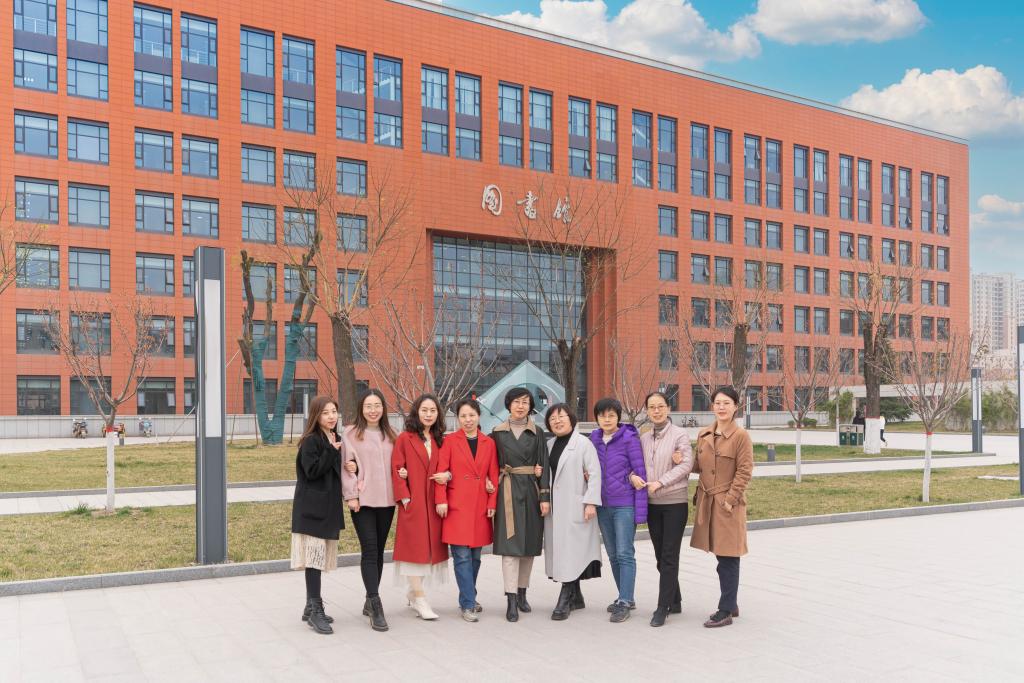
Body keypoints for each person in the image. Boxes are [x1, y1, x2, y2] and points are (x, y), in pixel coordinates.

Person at [690, 386, 754, 628]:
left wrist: (730, 500)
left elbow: (745, 471)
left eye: (726, 403)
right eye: (717, 403)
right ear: (712, 406)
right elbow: (699, 466)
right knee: (720, 555)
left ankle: (725, 610)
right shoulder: (704, 434)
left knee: (728, 557)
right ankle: (731, 602)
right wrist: (681, 460)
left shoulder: (741, 436)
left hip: (728, 505)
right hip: (708, 502)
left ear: (736, 406)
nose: (721, 407)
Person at [435, 398, 498, 622]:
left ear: (478, 416)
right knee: (461, 557)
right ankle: (468, 603)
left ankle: (468, 595)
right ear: (458, 418)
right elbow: (441, 473)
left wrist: (492, 503)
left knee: (475, 557)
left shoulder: (488, 443)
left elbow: (493, 475)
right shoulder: (450, 441)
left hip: (480, 506)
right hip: (456, 506)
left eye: (471, 415)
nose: (468, 420)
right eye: (463, 416)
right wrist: (441, 500)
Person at [491, 386, 550, 622]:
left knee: (528, 547)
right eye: (516, 401)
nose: (520, 406)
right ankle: (511, 600)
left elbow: (543, 464)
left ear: (530, 406)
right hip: (506, 492)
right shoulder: (496, 433)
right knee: (510, 548)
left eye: (525, 402)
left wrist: (544, 497)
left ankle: (523, 593)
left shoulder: (538, 432)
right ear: (508, 405)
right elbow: (490, 464)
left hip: (531, 493)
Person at [342, 389, 398, 632]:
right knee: (370, 549)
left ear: (383, 408)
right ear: (361, 409)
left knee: (379, 552)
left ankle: (369, 598)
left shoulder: (392, 434)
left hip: (387, 501)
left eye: (377, 406)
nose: (373, 410)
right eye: (368, 406)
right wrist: (352, 495)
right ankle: (376, 603)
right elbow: (346, 467)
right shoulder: (350, 433)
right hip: (363, 501)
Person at [589, 397, 647, 623]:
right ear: (597, 418)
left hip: (624, 504)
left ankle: (624, 600)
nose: (607, 419)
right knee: (613, 554)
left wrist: (639, 508)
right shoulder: (593, 439)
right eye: (602, 415)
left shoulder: (629, 439)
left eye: (611, 415)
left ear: (618, 417)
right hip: (603, 506)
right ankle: (625, 597)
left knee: (624, 553)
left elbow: (639, 472)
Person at [290, 396, 345, 635]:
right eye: (326, 413)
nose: (332, 416)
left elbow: (335, 470)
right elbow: (312, 471)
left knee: (318, 558)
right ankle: (315, 609)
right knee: (313, 559)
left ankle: (309, 606)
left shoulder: (334, 437)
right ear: (316, 415)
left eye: (334, 411)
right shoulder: (311, 441)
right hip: (311, 509)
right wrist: (332, 452)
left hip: (327, 508)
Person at [392, 394, 449, 620]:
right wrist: (405, 499)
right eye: (424, 410)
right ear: (416, 412)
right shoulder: (405, 438)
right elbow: (396, 468)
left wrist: (448, 475)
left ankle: (414, 593)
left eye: (433, 411)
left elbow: (449, 466)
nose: (428, 414)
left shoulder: (440, 439)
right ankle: (420, 598)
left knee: (429, 552)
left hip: (434, 504)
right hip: (414, 503)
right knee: (413, 551)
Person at [543, 402, 602, 621]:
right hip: (556, 508)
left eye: (561, 417)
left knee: (571, 552)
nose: (557, 421)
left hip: (576, 506)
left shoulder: (583, 443)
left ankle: (565, 599)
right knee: (563, 551)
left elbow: (594, 474)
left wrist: (591, 503)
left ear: (571, 419)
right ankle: (577, 597)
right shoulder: (549, 445)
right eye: (552, 419)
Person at [640, 391, 694, 627]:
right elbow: (636, 465)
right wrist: (633, 477)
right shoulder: (644, 438)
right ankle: (676, 599)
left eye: (660, 406)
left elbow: (686, 464)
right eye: (652, 407)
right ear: (647, 411)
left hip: (674, 503)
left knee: (669, 555)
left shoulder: (679, 435)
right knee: (660, 556)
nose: (656, 411)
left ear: (668, 408)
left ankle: (663, 607)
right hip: (652, 504)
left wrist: (661, 482)